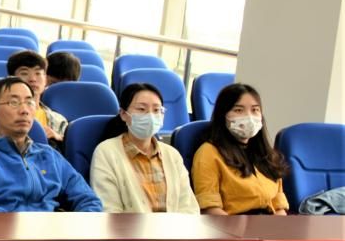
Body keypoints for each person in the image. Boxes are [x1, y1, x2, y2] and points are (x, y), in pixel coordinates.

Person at [0, 77, 102, 213]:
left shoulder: (49, 155)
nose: (24, 110)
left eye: (29, 102)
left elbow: (89, 200)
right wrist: (21, 227)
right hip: (1, 233)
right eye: (14, 103)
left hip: (51, 231)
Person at [89, 83, 200, 214]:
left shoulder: (172, 154)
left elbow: (189, 207)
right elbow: (109, 209)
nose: (150, 116)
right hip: (127, 227)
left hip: (174, 227)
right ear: (123, 114)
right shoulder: (106, 152)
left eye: (156, 110)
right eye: (141, 109)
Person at [193, 83, 289, 215]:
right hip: (230, 225)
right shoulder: (208, 153)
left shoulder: (266, 154)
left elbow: (279, 207)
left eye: (255, 110)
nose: (249, 116)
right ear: (223, 115)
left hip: (268, 225)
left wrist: (277, 227)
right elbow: (209, 209)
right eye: (238, 110)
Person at [7, 50, 67, 146]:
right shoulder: (1, 113)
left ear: (46, 79)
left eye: (38, 73)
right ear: (11, 79)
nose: (32, 79)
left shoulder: (58, 120)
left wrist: (58, 138)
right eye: (24, 73)